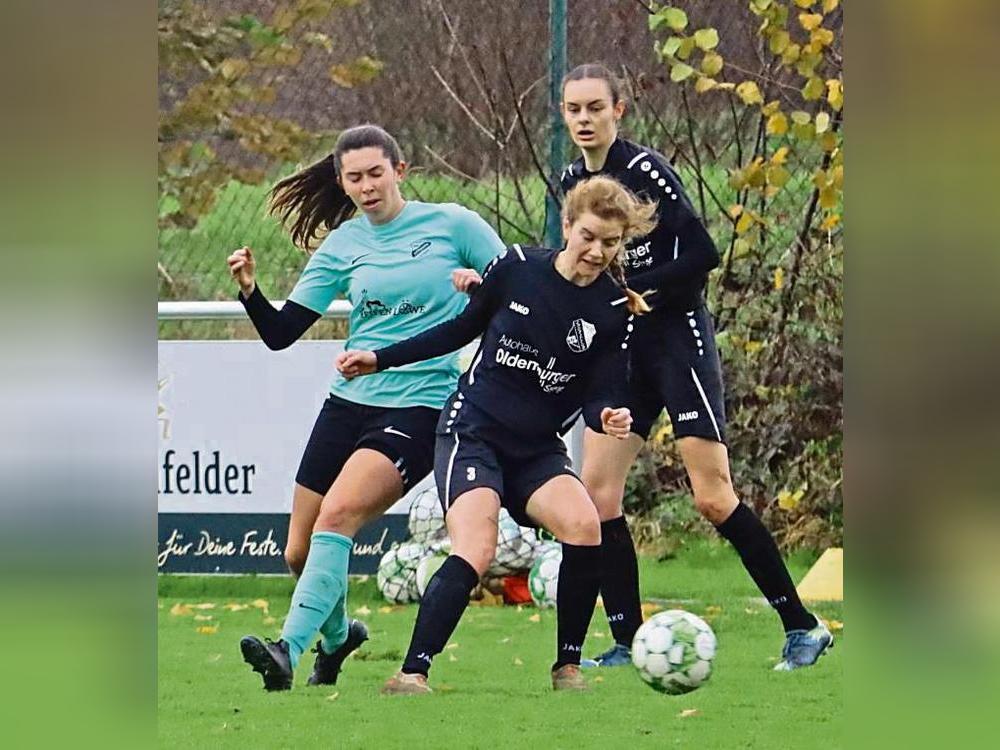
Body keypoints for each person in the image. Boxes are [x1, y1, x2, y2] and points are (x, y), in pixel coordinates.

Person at [558, 63, 832, 672]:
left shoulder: (645, 170)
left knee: (712, 498)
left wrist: (633, 289)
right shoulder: (571, 177)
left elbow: (703, 254)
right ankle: (628, 641)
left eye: (594, 108)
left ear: (618, 110)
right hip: (621, 350)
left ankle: (803, 626)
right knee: (597, 496)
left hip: (674, 342)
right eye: (573, 109)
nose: (583, 119)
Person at [336, 176, 655, 693]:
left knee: (583, 524)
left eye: (611, 242)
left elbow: (600, 393)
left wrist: (608, 417)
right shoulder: (518, 268)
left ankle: (566, 668)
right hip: (473, 432)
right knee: (478, 547)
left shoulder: (613, 309)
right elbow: (459, 330)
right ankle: (412, 672)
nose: (598, 251)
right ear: (568, 226)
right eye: (589, 236)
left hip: (536, 450)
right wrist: (380, 359)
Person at [227, 124, 505, 690]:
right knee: (299, 551)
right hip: (348, 403)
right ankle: (338, 639)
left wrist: (480, 286)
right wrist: (250, 291)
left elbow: (519, 286)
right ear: (343, 183)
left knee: (338, 517)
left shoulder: (453, 224)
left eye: (376, 173)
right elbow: (282, 334)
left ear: (400, 171)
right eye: (354, 177)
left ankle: (287, 650)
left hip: (421, 404)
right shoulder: (344, 245)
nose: (367, 185)